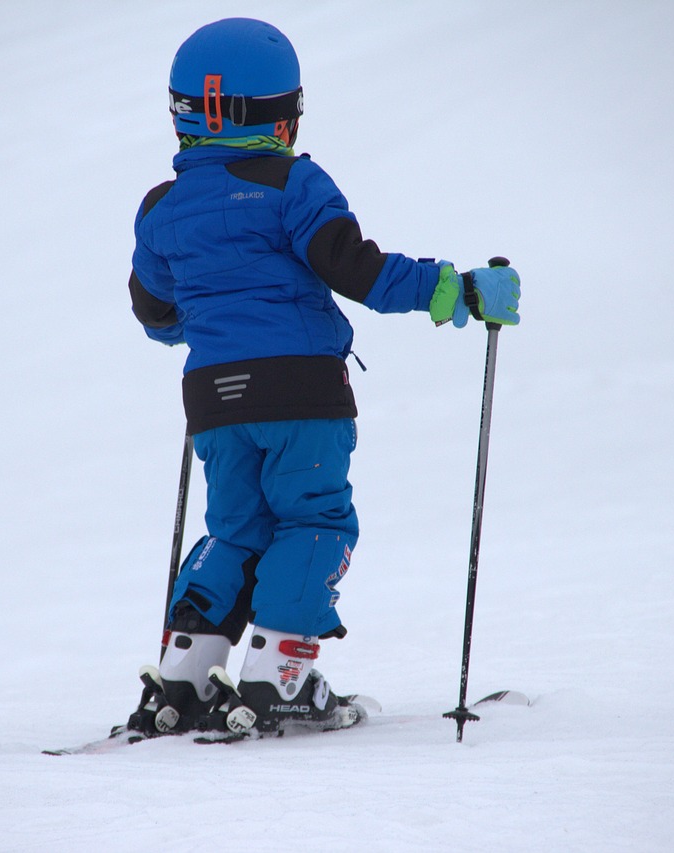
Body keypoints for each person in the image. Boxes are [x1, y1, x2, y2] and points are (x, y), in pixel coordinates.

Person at [126, 17, 520, 738]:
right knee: (313, 520)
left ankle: (180, 679)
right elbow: (354, 268)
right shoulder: (293, 183)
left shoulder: (162, 207)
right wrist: (455, 290)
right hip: (301, 391)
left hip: (213, 399)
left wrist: (216, 320)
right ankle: (280, 678)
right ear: (278, 117)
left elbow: (156, 314)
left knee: (237, 529)